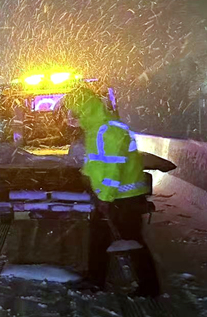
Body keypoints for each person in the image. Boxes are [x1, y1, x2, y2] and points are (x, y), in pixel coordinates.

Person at [64, 88, 160, 296]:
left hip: (124, 198)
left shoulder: (110, 129)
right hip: (110, 196)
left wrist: (105, 198)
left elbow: (114, 166)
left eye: (73, 111)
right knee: (98, 238)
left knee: (133, 241)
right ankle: (95, 280)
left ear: (84, 109)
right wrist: (86, 177)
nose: (70, 117)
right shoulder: (95, 129)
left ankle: (150, 286)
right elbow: (96, 162)